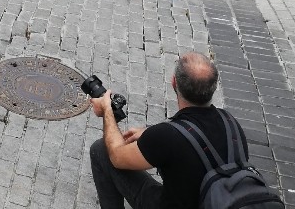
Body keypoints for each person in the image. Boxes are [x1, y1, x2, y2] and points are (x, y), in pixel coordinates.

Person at [89, 52, 251, 209]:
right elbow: (193, 144)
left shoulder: (167, 137)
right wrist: (150, 134)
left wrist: (107, 110)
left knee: (101, 150)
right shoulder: (230, 122)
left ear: (174, 83)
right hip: (222, 200)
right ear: (213, 88)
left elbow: (117, 157)